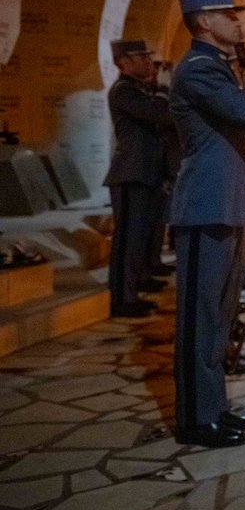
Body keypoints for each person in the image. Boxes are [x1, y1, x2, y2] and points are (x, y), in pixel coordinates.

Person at [169, 0, 245, 449]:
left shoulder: (218, 70)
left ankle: (214, 406)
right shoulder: (198, 71)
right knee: (199, 318)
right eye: (228, 14)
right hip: (205, 205)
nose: (238, 21)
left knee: (218, 316)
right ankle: (196, 418)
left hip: (228, 202)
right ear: (203, 23)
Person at [104, 39, 173, 317]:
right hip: (131, 174)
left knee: (141, 236)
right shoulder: (124, 91)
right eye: (141, 57)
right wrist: (166, 88)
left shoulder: (140, 90)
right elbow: (161, 113)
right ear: (123, 62)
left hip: (146, 173)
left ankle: (136, 285)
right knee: (128, 240)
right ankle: (122, 298)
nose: (148, 62)